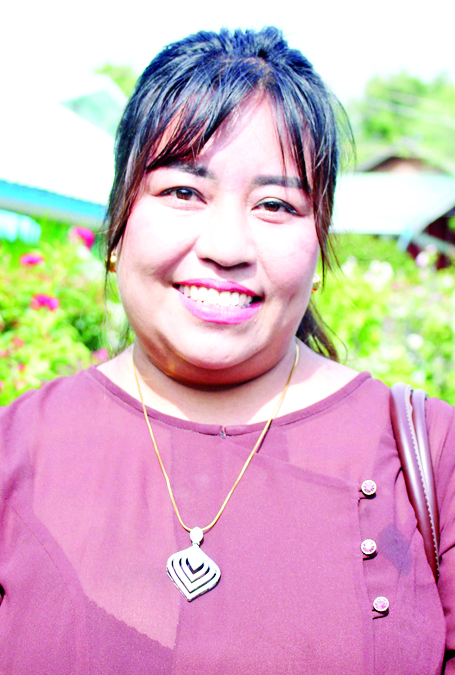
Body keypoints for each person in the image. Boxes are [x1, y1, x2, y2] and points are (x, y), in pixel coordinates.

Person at [0, 27, 454, 675]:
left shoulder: (432, 456)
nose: (226, 247)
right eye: (183, 192)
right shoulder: (17, 448)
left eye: (274, 204)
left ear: (319, 244)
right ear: (117, 224)